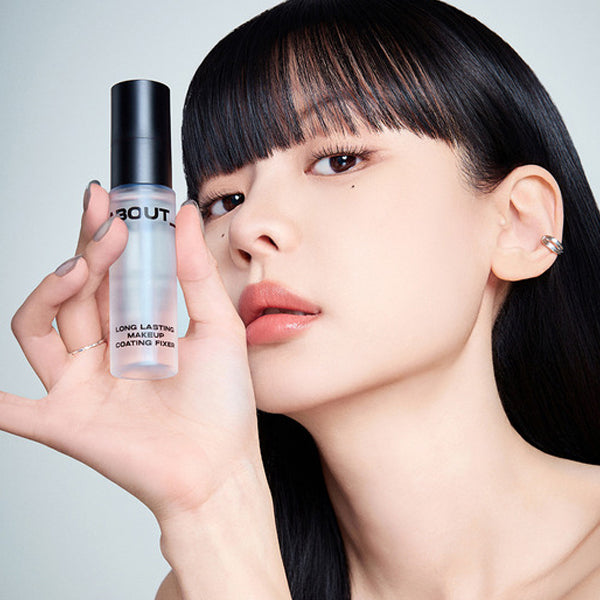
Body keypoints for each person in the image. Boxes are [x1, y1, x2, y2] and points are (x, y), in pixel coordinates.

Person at [3, 0, 600, 598]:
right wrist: (209, 508)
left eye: (338, 160)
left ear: (520, 225)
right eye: (223, 201)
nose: (246, 228)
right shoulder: (209, 576)